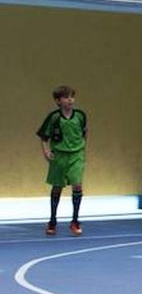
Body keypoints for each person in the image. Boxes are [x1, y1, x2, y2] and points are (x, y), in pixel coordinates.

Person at [35, 85, 88, 236]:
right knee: (57, 187)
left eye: (71, 96)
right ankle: (52, 221)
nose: (70, 100)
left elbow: (84, 132)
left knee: (77, 185)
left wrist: (83, 150)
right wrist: (46, 151)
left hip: (76, 155)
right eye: (65, 97)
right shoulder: (54, 117)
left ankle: (75, 221)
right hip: (59, 155)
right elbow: (44, 137)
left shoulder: (80, 115)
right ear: (58, 101)